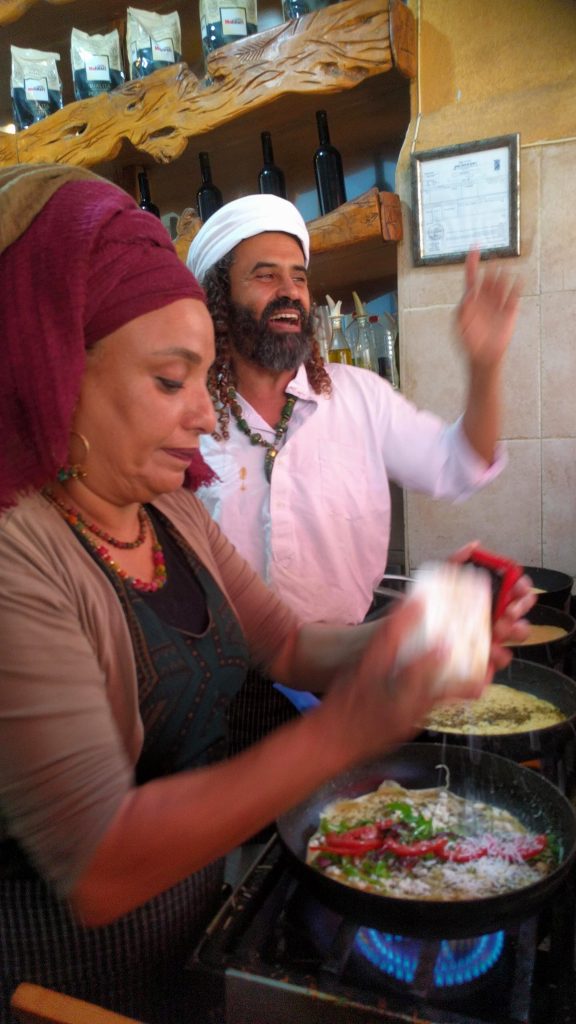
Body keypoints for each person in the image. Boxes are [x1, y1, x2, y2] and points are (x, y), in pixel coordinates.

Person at [0, 164, 531, 1023]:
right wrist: (348, 727)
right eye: (169, 381)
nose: (202, 416)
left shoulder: (169, 507)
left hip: (187, 931)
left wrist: (419, 627)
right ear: (56, 367)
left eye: (200, 380)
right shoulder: (18, 553)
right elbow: (99, 865)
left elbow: (284, 643)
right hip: (64, 983)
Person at [186, 194, 521, 746]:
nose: (290, 291)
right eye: (265, 276)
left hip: (345, 673)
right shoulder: (185, 416)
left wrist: (485, 367)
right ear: (220, 298)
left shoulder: (361, 397)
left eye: (298, 277)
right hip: (219, 693)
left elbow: (461, 463)